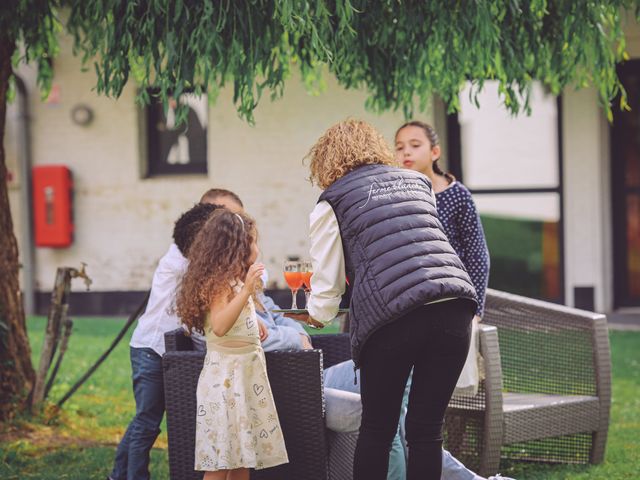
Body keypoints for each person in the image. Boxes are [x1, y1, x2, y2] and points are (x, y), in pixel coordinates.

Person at [301, 119, 478, 480]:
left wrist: (316, 316)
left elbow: (327, 289)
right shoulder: (418, 183)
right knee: (426, 430)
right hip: (454, 303)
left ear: (326, 161)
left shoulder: (332, 200)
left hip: (393, 318)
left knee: (377, 431)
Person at [109, 202, 221, 480]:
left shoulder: (183, 256)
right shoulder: (181, 265)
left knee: (145, 420)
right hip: (150, 349)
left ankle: (117, 475)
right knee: (147, 421)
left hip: (161, 348)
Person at [176, 209, 289, 479]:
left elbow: (234, 317)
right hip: (225, 382)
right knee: (220, 462)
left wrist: (253, 322)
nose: (257, 248)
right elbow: (219, 325)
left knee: (242, 459)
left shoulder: (234, 281)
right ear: (237, 246)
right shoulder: (219, 282)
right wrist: (248, 291)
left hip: (245, 378)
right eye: (253, 241)